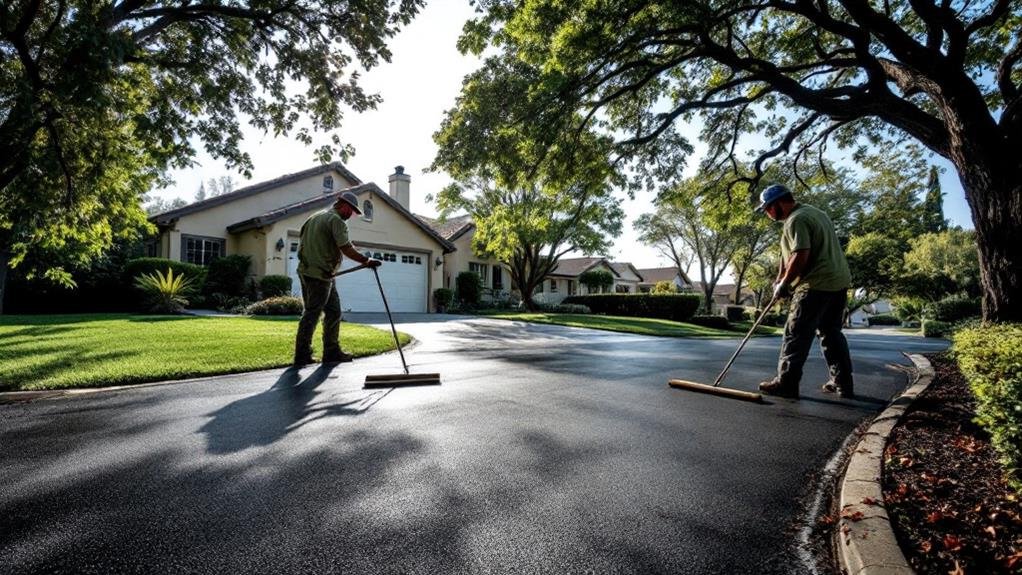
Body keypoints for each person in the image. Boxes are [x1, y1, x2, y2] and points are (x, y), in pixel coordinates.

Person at [755, 184, 854, 399]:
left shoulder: (796, 219)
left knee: (795, 334)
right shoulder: (815, 213)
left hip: (815, 285)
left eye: (767, 209)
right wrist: (779, 281)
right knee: (831, 333)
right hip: (838, 283)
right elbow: (788, 257)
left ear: (779, 203)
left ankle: (786, 384)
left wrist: (786, 284)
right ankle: (843, 384)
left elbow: (801, 254)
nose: (767, 214)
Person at [293, 191, 381, 366]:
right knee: (312, 313)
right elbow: (346, 248)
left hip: (310, 272)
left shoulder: (314, 217)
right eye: (352, 211)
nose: (351, 215)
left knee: (333, 312)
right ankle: (302, 355)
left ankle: (331, 351)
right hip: (320, 275)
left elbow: (304, 242)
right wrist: (366, 260)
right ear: (344, 205)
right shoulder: (336, 221)